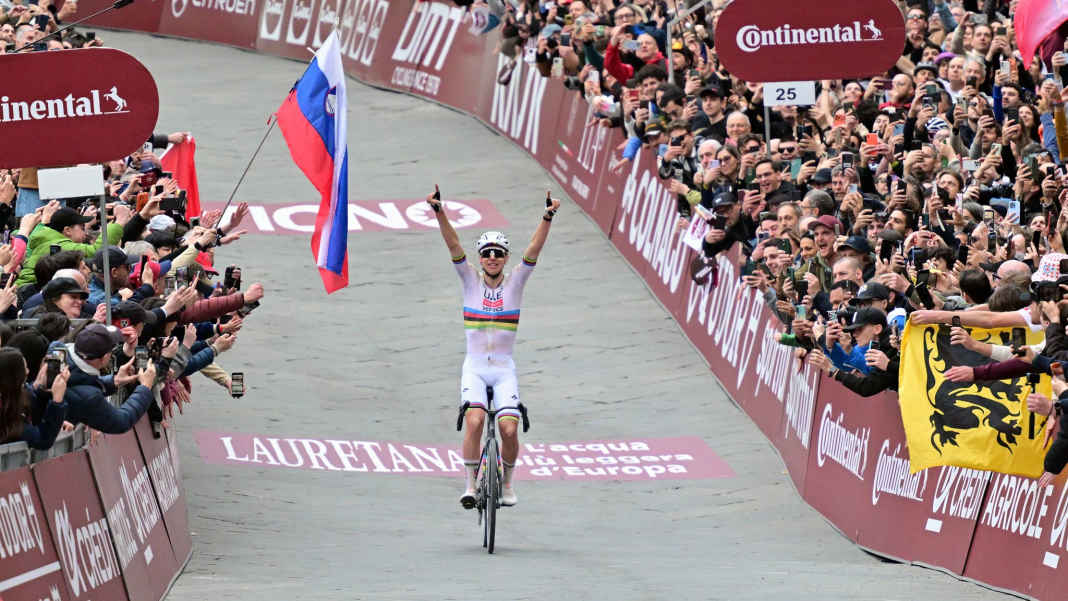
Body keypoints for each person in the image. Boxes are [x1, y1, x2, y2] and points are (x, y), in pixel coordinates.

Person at [427, 185, 560, 509]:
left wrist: (547, 217)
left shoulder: (516, 282)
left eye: (498, 253)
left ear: (506, 258)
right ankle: (470, 485)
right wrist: (440, 212)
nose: (491, 258)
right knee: (473, 421)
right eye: (486, 253)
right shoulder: (469, 279)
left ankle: (508, 483)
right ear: (480, 258)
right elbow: (453, 244)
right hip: (475, 368)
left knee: (509, 429)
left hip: (502, 369)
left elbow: (534, 249)